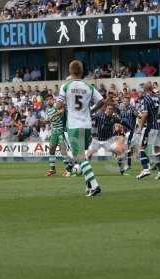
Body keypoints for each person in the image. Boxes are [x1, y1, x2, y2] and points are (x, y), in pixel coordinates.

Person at [58, 60, 105, 197]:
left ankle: (95, 186)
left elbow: (58, 106)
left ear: (70, 71)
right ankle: (88, 186)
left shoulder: (66, 85)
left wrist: (60, 104)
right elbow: (102, 101)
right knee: (82, 156)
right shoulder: (88, 86)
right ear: (82, 70)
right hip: (87, 125)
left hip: (74, 125)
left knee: (80, 157)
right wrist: (91, 110)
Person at [136, 82, 160, 180]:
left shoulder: (146, 98)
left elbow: (145, 114)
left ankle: (145, 169)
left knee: (141, 147)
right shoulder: (159, 97)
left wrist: (140, 128)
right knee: (157, 149)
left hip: (152, 126)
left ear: (145, 89)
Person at [87, 105, 126, 175]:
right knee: (88, 155)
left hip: (108, 141)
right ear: (106, 109)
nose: (109, 110)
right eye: (108, 109)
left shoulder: (114, 118)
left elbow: (123, 122)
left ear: (113, 111)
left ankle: (122, 171)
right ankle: (84, 170)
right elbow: (90, 116)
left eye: (111, 109)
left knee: (120, 152)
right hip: (97, 140)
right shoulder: (99, 115)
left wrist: (131, 128)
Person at [45, 96, 72, 177]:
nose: (49, 101)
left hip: (61, 130)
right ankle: (52, 169)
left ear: (53, 100)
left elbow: (62, 111)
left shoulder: (56, 106)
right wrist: (45, 121)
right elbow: (51, 121)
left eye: (50, 99)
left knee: (62, 150)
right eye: (47, 100)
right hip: (54, 132)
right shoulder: (48, 110)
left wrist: (53, 116)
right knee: (51, 149)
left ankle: (68, 169)